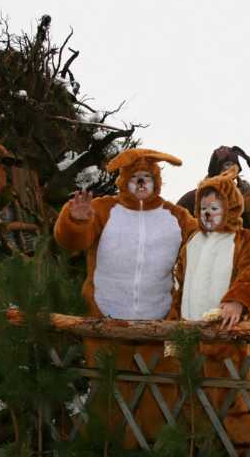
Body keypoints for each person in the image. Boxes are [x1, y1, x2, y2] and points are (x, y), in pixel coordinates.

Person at [53, 148, 197, 448]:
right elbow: (72, 241)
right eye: (136, 178)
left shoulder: (176, 215)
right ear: (124, 181)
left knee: (161, 398)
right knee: (109, 399)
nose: (142, 184)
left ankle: (158, 449)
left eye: (147, 178)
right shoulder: (104, 209)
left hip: (159, 327)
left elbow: (204, 244)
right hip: (106, 323)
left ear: (156, 181)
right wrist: (75, 220)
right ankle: (111, 449)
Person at [169, 166, 250, 454]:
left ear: (231, 207)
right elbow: (180, 285)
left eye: (215, 207)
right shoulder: (192, 243)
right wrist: (173, 331)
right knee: (190, 410)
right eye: (202, 208)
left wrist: (238, 300)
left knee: (238, 411)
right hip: (191, 341)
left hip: (228, 342)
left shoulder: (245, 240)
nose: (207, 213)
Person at [177, 145, 250, 239]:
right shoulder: (193, 198)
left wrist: (249, 196)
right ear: (215, 170)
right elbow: (173, 232)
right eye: (226, 165)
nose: (229, 170)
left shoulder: (242, 199)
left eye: (233, 165)